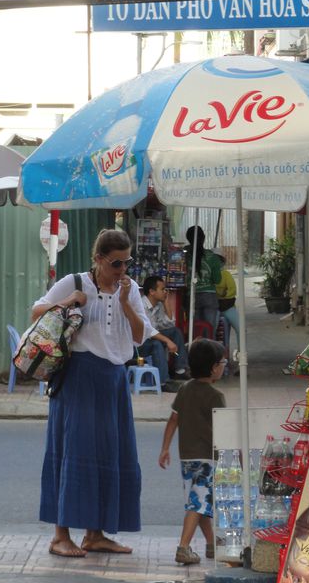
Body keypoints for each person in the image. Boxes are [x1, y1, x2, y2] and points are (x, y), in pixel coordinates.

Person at [33, 228, 155, 558]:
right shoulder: (76, 283)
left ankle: (95, 534)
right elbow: (36, 312)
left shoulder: (129, 290)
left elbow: (141, 335)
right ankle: (61, 536)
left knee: (109, 454)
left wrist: (127, 300)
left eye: (127, 262)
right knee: (73, 452)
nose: (122, 270)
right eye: (116, 263)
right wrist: (70, 301)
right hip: (78, 377)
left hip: (113, 378)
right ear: (99, 259)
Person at [158, 338, 226, 564]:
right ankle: (183, 547)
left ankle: (211, 544)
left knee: (201, 501)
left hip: (187, 458)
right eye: (223, 362)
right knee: (198, 504)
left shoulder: (184, 389)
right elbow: (226, 430)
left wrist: (165, 448)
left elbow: (172, 420)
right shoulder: (216, 396)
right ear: (214, 367)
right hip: (208, 458)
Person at [137, 275, 190, 392]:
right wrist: (167, 341)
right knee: (157, 344)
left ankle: (179, 370)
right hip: (138, 344)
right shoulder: (141, 306)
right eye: (162, 289)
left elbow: (169, 324)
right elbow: (148, 331)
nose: (165, 292)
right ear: (152, 292)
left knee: (175, 332)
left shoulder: (158, 305)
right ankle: (163, 382)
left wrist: (166, 302)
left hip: (151, 337)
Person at [184, 225, 221, 335]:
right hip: (209, 297)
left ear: (188, 239)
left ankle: (196, 350)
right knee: (209, 330)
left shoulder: (183, 255)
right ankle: (210, 351)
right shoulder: (213, 257)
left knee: (195, 331)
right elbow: (217, 279)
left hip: (191, 296)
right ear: (204, 238)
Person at [212, 248, 240, 370]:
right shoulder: (206, 275)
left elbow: (232, 291)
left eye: (218, 260)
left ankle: (241, 355)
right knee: (212, 328)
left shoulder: (226, 274)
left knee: (241, 328)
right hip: (213, 307)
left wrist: (222, 298)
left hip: (227, 307)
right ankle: (214, 356)